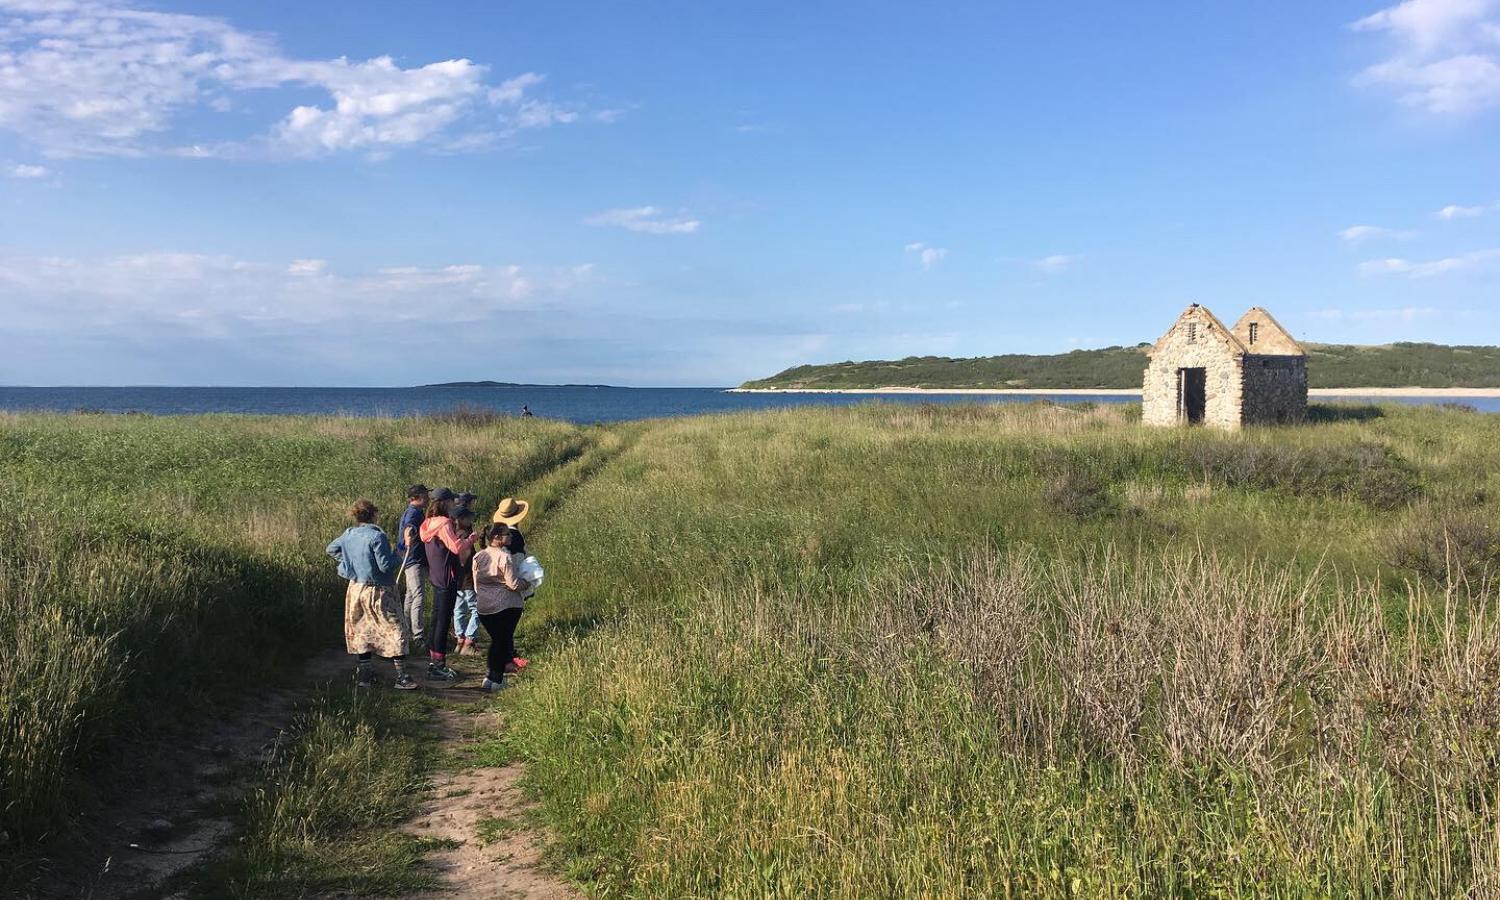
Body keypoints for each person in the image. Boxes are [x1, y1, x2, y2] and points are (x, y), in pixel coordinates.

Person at [326, 500, 417, 690]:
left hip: (356, 588)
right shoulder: (377, 537)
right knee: (396, 629)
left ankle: (365, 677)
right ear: (373, 515)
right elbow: (385, 565)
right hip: (379, 591)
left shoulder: (349, 534)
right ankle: (402, 677)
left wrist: (348, 565)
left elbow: (331, 549)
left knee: (362, 631)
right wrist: (402, 548)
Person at [419, 488, 480, 681]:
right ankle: (438, 665)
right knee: (443, 621)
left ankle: (432, 660)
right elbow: (455, 547)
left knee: (437, 618)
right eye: (452, 501)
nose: (454, 504)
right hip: (448, 576)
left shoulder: (427, 523)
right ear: (445, 503)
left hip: (436, 576)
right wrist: (470, 540)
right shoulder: (444, 523)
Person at [473, 524, 530, 691]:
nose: (511, 537)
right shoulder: (504, 557)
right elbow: (513, 584)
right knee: (502, 642)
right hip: (506, 605)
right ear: (497, 537)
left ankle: (490, 676)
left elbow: (476, 585)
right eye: (507, 535)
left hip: (484, 607)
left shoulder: (479, 556)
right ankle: (497, 679)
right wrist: (527, 582)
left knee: (497, 641)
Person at [395, 484, 430, 650]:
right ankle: (418, 636)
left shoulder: (415, 511)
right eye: (426, 494)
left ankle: (407, 630)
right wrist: (408, 535)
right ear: (419, 496)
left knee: (410, 595)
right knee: (418, 595)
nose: (428, 498)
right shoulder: (413, 513)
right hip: (413, 559)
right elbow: (409, 527)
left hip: (413, 558)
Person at [451, 505, 481, 654]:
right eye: (469, 517)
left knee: (459, 610)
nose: (471, 519)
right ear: (462, 519)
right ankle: (469, 640)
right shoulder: (464, 536)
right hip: (467, 579)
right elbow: (464, 558)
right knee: (477, 609)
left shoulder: (454, 534)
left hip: (457, 581)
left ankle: (460, 639)